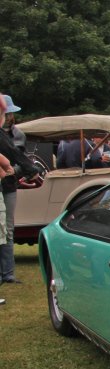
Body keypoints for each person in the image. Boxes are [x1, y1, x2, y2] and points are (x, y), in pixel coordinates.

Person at [0, 93, 43, 289]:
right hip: (5, 180)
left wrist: (14, 172)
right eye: (6, 113)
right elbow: (13, 157)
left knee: (8, 229)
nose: (9, 117)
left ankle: (8, 273)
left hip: (8, 186)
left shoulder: (17, 134)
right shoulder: (4, 136)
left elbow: (19, 157)